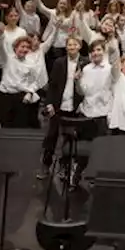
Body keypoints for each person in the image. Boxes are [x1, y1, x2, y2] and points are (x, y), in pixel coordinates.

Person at [41, 35, 85, 182]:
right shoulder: (59, 62)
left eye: (74, 45)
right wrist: (49, 103)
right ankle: (46, 165)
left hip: (75, 107)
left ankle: (64, 166)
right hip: (58, 105)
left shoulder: (85, 63)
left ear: (80, 46)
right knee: (51, 136)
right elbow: (52, 85)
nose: (71, 47)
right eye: (69, 45)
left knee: (69, 138)